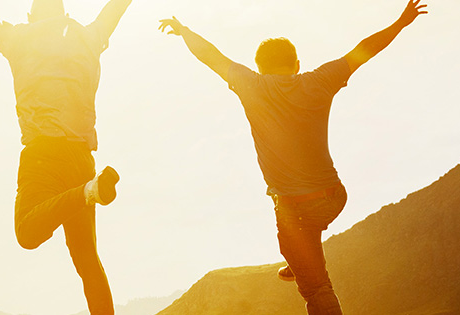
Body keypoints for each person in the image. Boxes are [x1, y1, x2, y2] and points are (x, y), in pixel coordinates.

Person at [159, 1, 427, 314]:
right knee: (296, 241)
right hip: (333, 198)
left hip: (294, 209)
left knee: (316, 287)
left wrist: (183, 31)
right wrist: (401, 22)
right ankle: (299, 260)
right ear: (297, 64)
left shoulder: (252, 86)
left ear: (258, 67)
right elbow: (363, 50)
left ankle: (301, 263)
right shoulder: (319, 81)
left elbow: (211, 56)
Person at [0, 0, 130, 313]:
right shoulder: (89, 37)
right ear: (64, 14)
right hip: (81, 158)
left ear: (30, 16)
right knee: (88, 261)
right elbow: (114, 9)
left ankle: (89, 192)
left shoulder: (18, 38)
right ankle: (90, 191)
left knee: (27, 232)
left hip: (43, 154)